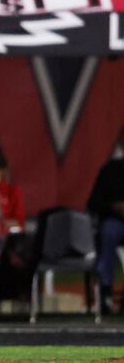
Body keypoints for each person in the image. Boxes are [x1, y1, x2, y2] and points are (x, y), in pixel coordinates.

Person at [87, 127, 124, 314]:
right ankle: (106, 291)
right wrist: (113, 207)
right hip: (115, 222)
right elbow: (92, 203)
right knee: (108, 231)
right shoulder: (110, 170)